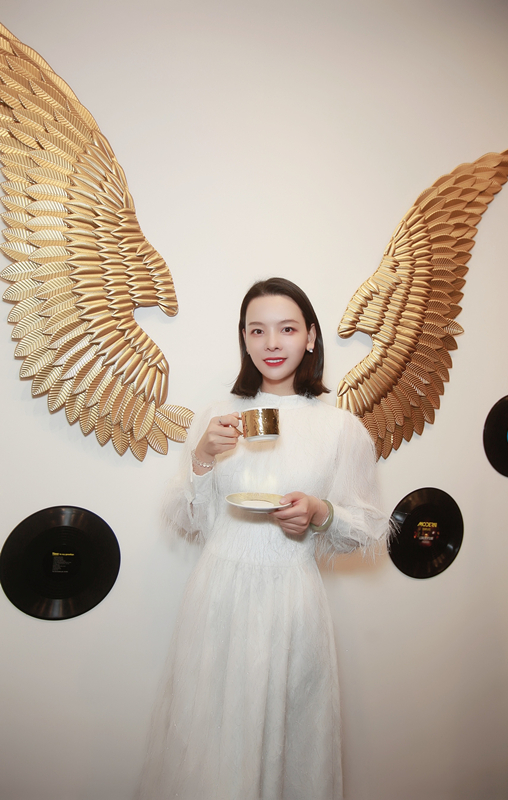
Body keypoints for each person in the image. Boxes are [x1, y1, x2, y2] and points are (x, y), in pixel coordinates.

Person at [137, 277, 390, 800]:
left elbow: (368, 525)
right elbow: (188, 518)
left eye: (287, 329)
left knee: (288, 740)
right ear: (244, 339)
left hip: (292, 600)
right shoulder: (218, 415)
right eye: (258, 330)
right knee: (208, 742)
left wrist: (320, 513)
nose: (272, 343)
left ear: (311, 337)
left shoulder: (340, 428)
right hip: (217, 596)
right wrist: (203, 456)